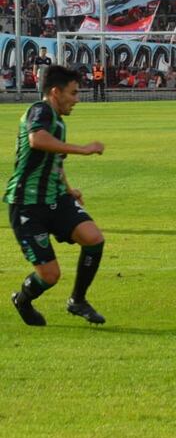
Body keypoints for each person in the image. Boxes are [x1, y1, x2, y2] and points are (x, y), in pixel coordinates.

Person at [7, 66, 107, 326]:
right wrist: (83, 150)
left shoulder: (59, 122)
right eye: (73, 93)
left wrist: (69, 189)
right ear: (55, 92)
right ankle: (23, 299)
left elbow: (55, 162)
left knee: (93, 239)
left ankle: (78, 300)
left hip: (56, 198)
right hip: (27, 204)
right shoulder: (40, 111)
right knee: (50, 276)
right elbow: (37, 140)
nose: (77, 99)